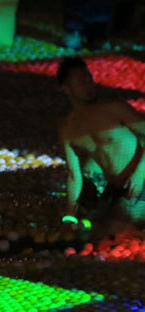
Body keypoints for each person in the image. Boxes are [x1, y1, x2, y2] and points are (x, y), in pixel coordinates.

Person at [58, 57, 145, 229]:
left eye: (89, 78)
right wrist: (70, 211)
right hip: (117, 188)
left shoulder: (113, 109)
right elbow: (74, 174)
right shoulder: (69, 129)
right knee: (94, 226)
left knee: (121, 229)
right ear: (66, 89)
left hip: (140, 179)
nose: (89, 84)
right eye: (81, 82)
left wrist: (139, 173)